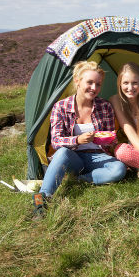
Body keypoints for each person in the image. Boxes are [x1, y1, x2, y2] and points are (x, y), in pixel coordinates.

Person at [32, 61, 127, 216]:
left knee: (119, 169)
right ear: (77, 80)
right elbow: (55, 141)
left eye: (98, 84)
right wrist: (77, 140)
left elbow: (110, 137)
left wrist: (105, 139)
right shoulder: (60, 107)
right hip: (72, 157)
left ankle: (78, 180)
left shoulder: (105, 106)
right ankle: (42, 198)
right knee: (61, 152)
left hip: (97, 156)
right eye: (89, 82)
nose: (94, 88)